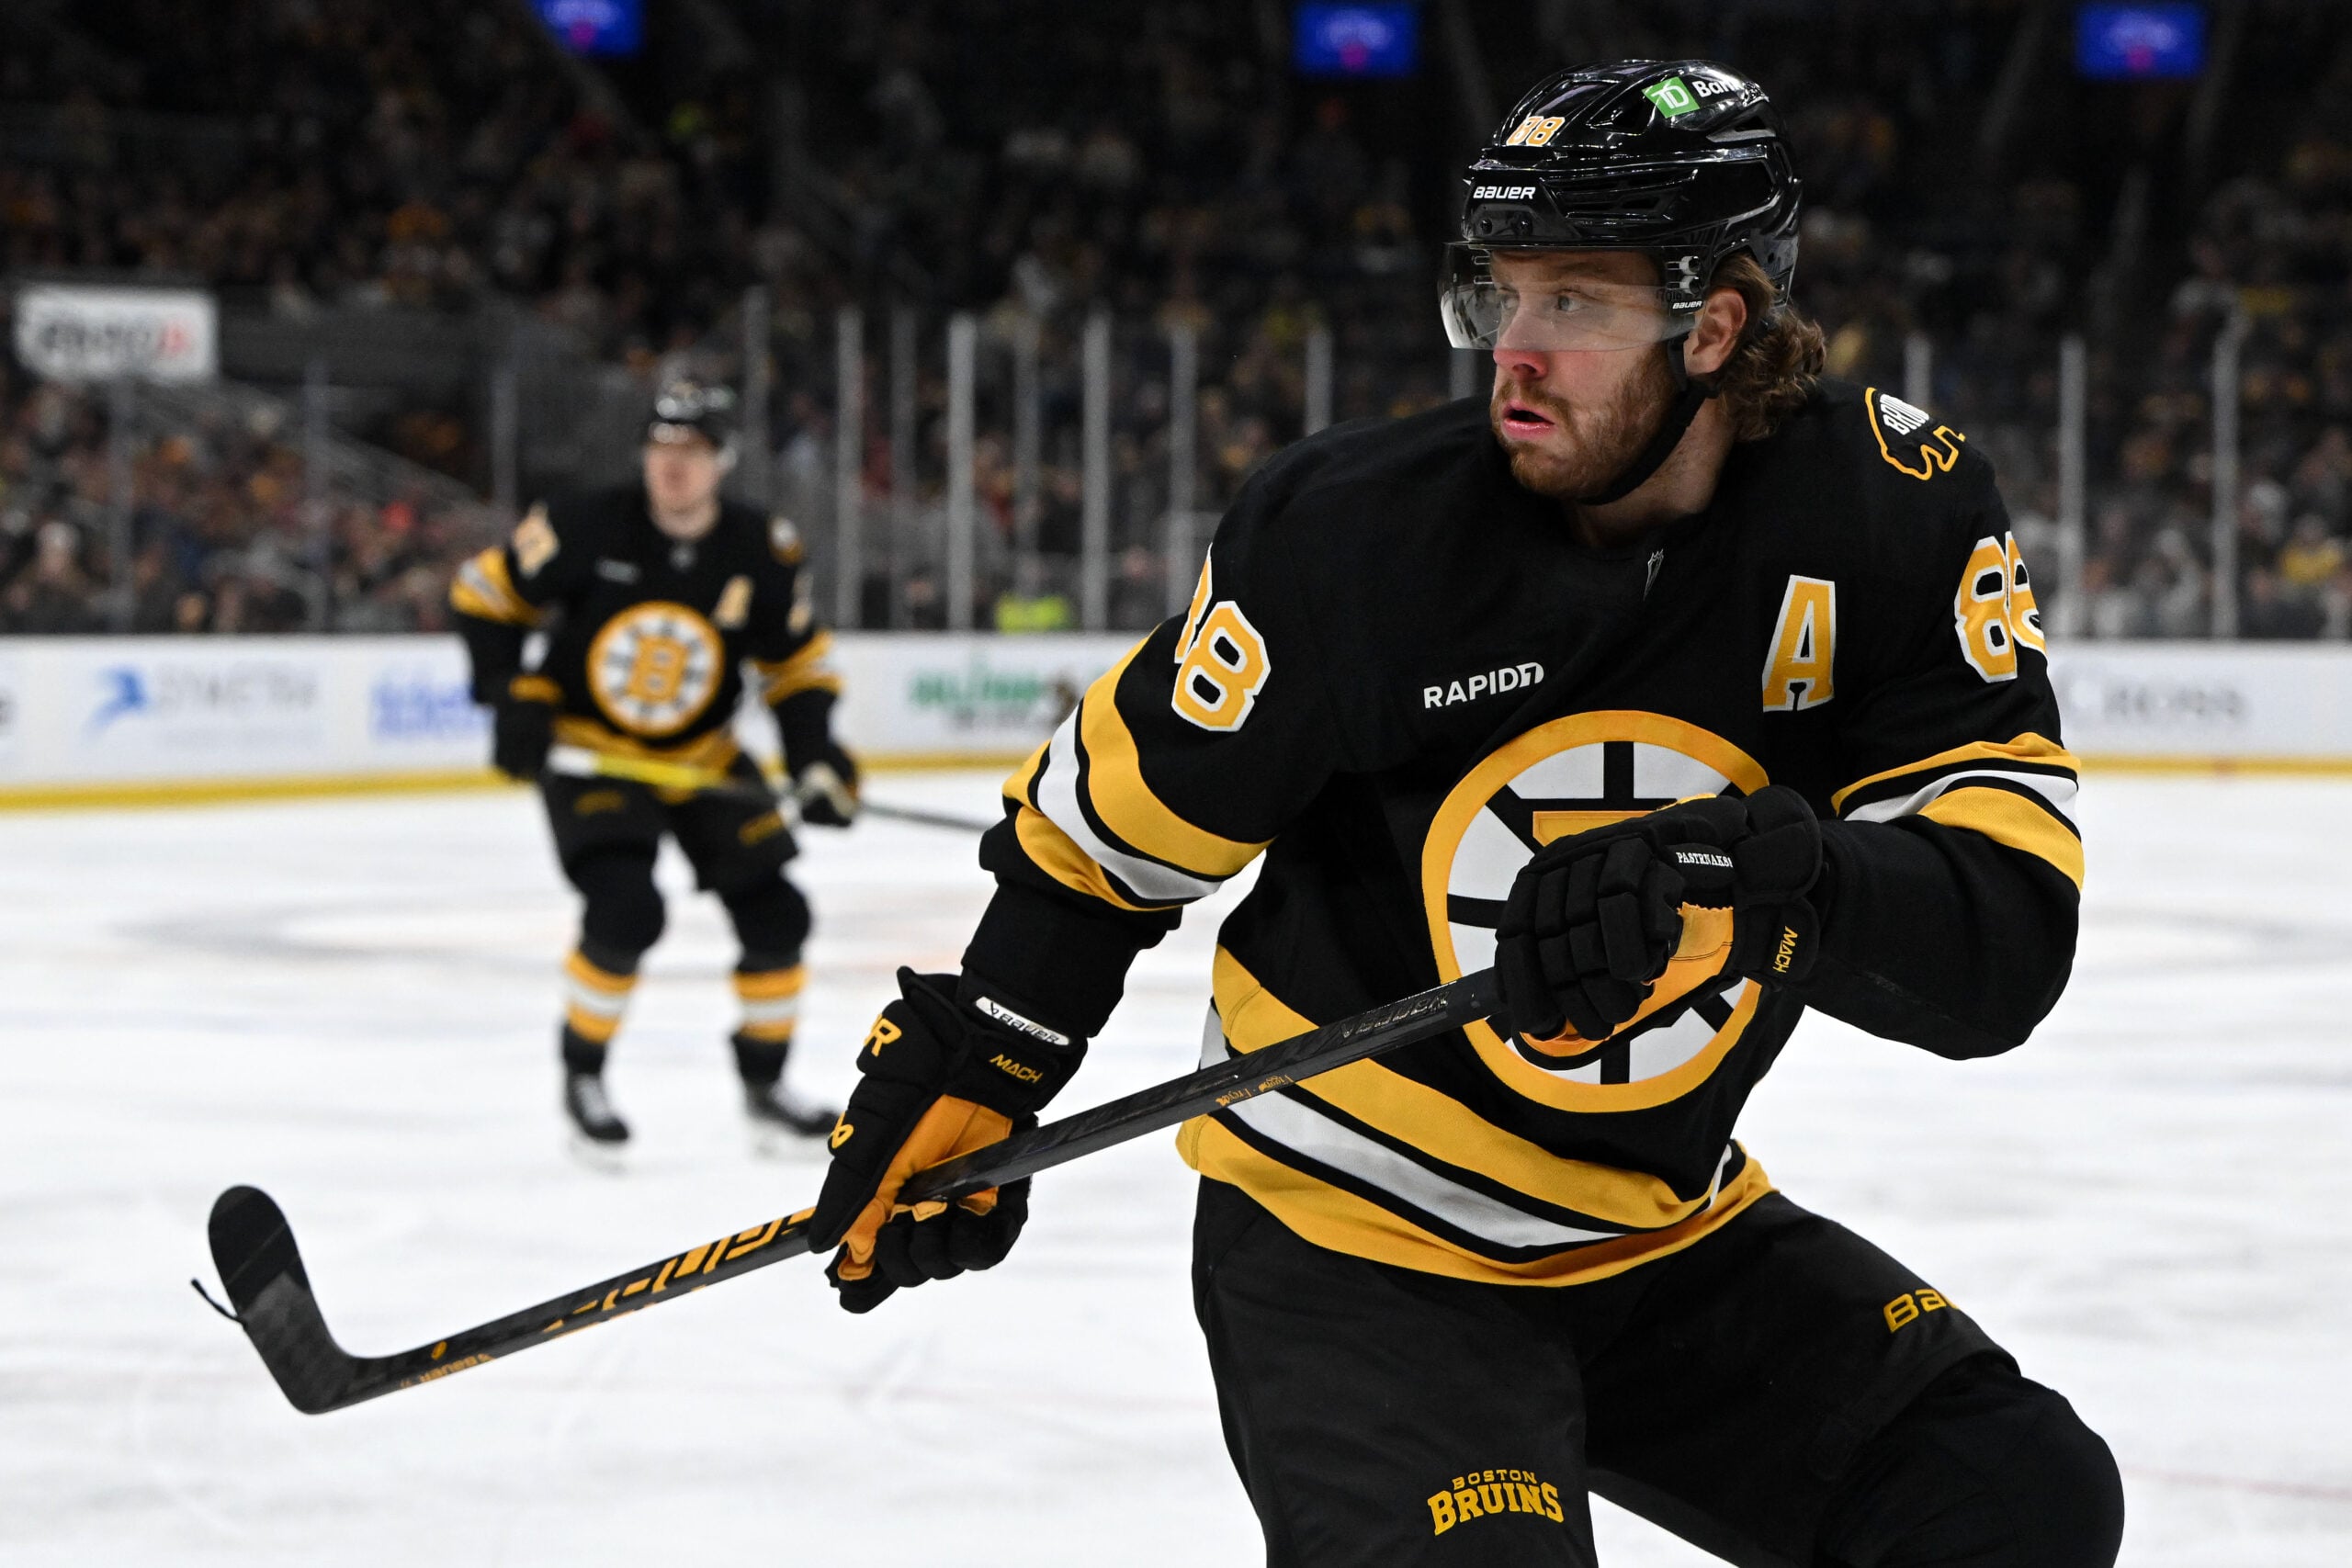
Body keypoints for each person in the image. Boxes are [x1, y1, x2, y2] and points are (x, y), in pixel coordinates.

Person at [803, 62, 2122, 1568]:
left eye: (1575, 300)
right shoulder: (1356, 538)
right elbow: (1111, 837)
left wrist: (1763, 881)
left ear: (1716, 323)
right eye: (1502, 291)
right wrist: (993, 1043)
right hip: (1356, 1238)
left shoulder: (1897, 512)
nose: (1517, 348)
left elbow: (1998, 946)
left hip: (1658, 1232)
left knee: (2012, 1497)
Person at [449, 379, 854, 1146]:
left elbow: (797, 664)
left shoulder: (761, 548)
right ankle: (584, 1072)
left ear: (722, 461)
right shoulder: (581, 524)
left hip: (702, 756)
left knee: (780, 914)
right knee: (626, 909)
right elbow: (482, 598)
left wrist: (816, 755)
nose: (674, 467)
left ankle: (765, 1085)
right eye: (661, 449)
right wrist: (513, 693)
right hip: (592, 755)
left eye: (692, 452)